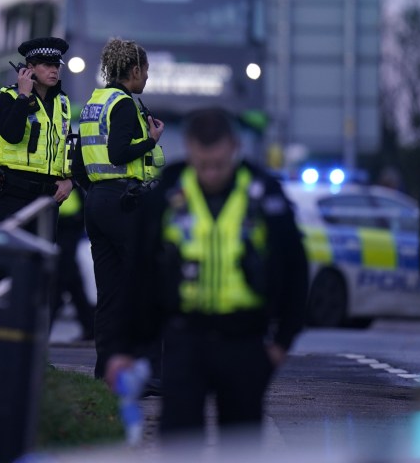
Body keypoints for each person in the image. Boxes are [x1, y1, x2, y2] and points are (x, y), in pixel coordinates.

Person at [106, 107, 309, 443]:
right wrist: (123, 347)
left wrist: (282, 341)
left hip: (244, 340)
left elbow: (295, 268)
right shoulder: (169, 193)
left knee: (240, 446)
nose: (211, 174)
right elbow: (138, 272)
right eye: (203, 165)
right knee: (180, 443)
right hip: (186, 337)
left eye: (219, 164)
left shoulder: (263, 192)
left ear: (233, 147)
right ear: (189, 149)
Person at [79, 36, 165, 378]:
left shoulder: (95, 102)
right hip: (124, 203)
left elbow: (80, 160)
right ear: (134, 69)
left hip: (96, 202)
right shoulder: (125, 104)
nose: (147, 78)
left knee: (110, 295)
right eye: (146, 71)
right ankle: (150, 373)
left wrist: (97, 192)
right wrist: (151, 140)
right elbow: (118, 153)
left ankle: (105, 372)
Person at [0, 36, 74, 282]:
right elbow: (12, 135)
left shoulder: (63, 102)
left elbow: (68, 146)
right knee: (8, 270)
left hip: (47, 200)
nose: (53, 70)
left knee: (42, 273)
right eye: (46, 65)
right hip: (12, 196)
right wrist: (24, 96)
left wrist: (71, 181)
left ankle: (36, 322)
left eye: (56, 65)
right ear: (29, 69)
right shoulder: (8, 97)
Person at [49, 189, 95, 340]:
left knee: (62, 277)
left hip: (68, 225)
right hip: (62, 223)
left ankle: (45, 326)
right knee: (71, 279)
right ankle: (90, 328)